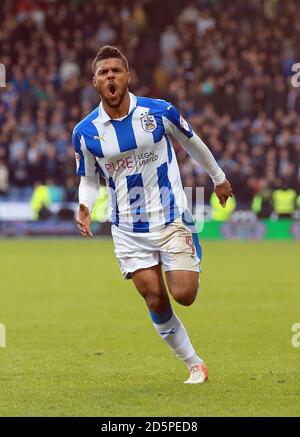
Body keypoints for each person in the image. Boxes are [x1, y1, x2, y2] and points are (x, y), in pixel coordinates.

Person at [72, 46, 232, 384]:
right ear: (95, 82)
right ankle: (194, 364)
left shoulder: (158, 112)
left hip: (172, 217)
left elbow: (193, 142)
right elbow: (88, 179)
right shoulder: (85, 132)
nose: (110, 76)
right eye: (104, 73)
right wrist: (84, 205)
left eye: (116, 70)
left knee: (184, 294)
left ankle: (180, 254)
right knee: (154, 296)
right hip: (129, 229)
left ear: (128, 76)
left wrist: (218, 178)